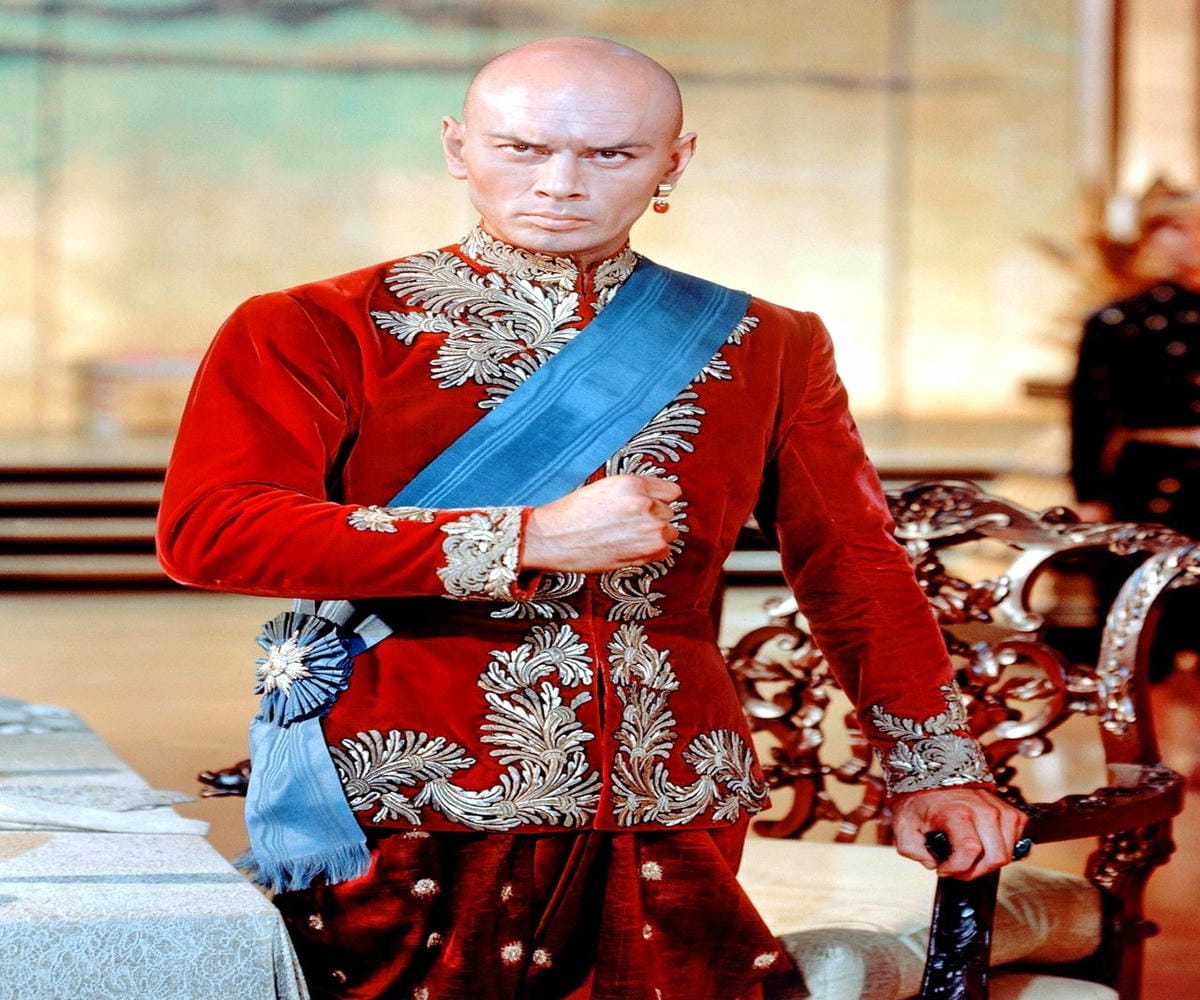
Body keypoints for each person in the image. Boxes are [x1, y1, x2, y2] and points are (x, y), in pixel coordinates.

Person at [158, 36, 1027, 1000]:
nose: (560, 184)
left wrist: (931, 767)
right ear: (456, 146)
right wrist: (527, 539)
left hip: (671, 795)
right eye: (522, 148)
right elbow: (212, 529)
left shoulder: (769, 343)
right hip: (408, 795)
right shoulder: (312, 325)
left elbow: (852, 565)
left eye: (611, 154)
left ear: (674, 162)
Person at [1070, 184, 1200, 679]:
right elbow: (1090, 412)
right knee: (1146, 625)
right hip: (1150, 478)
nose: (1186, 240)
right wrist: (1089, 495)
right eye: (1175, 228)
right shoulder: (1121, 321)